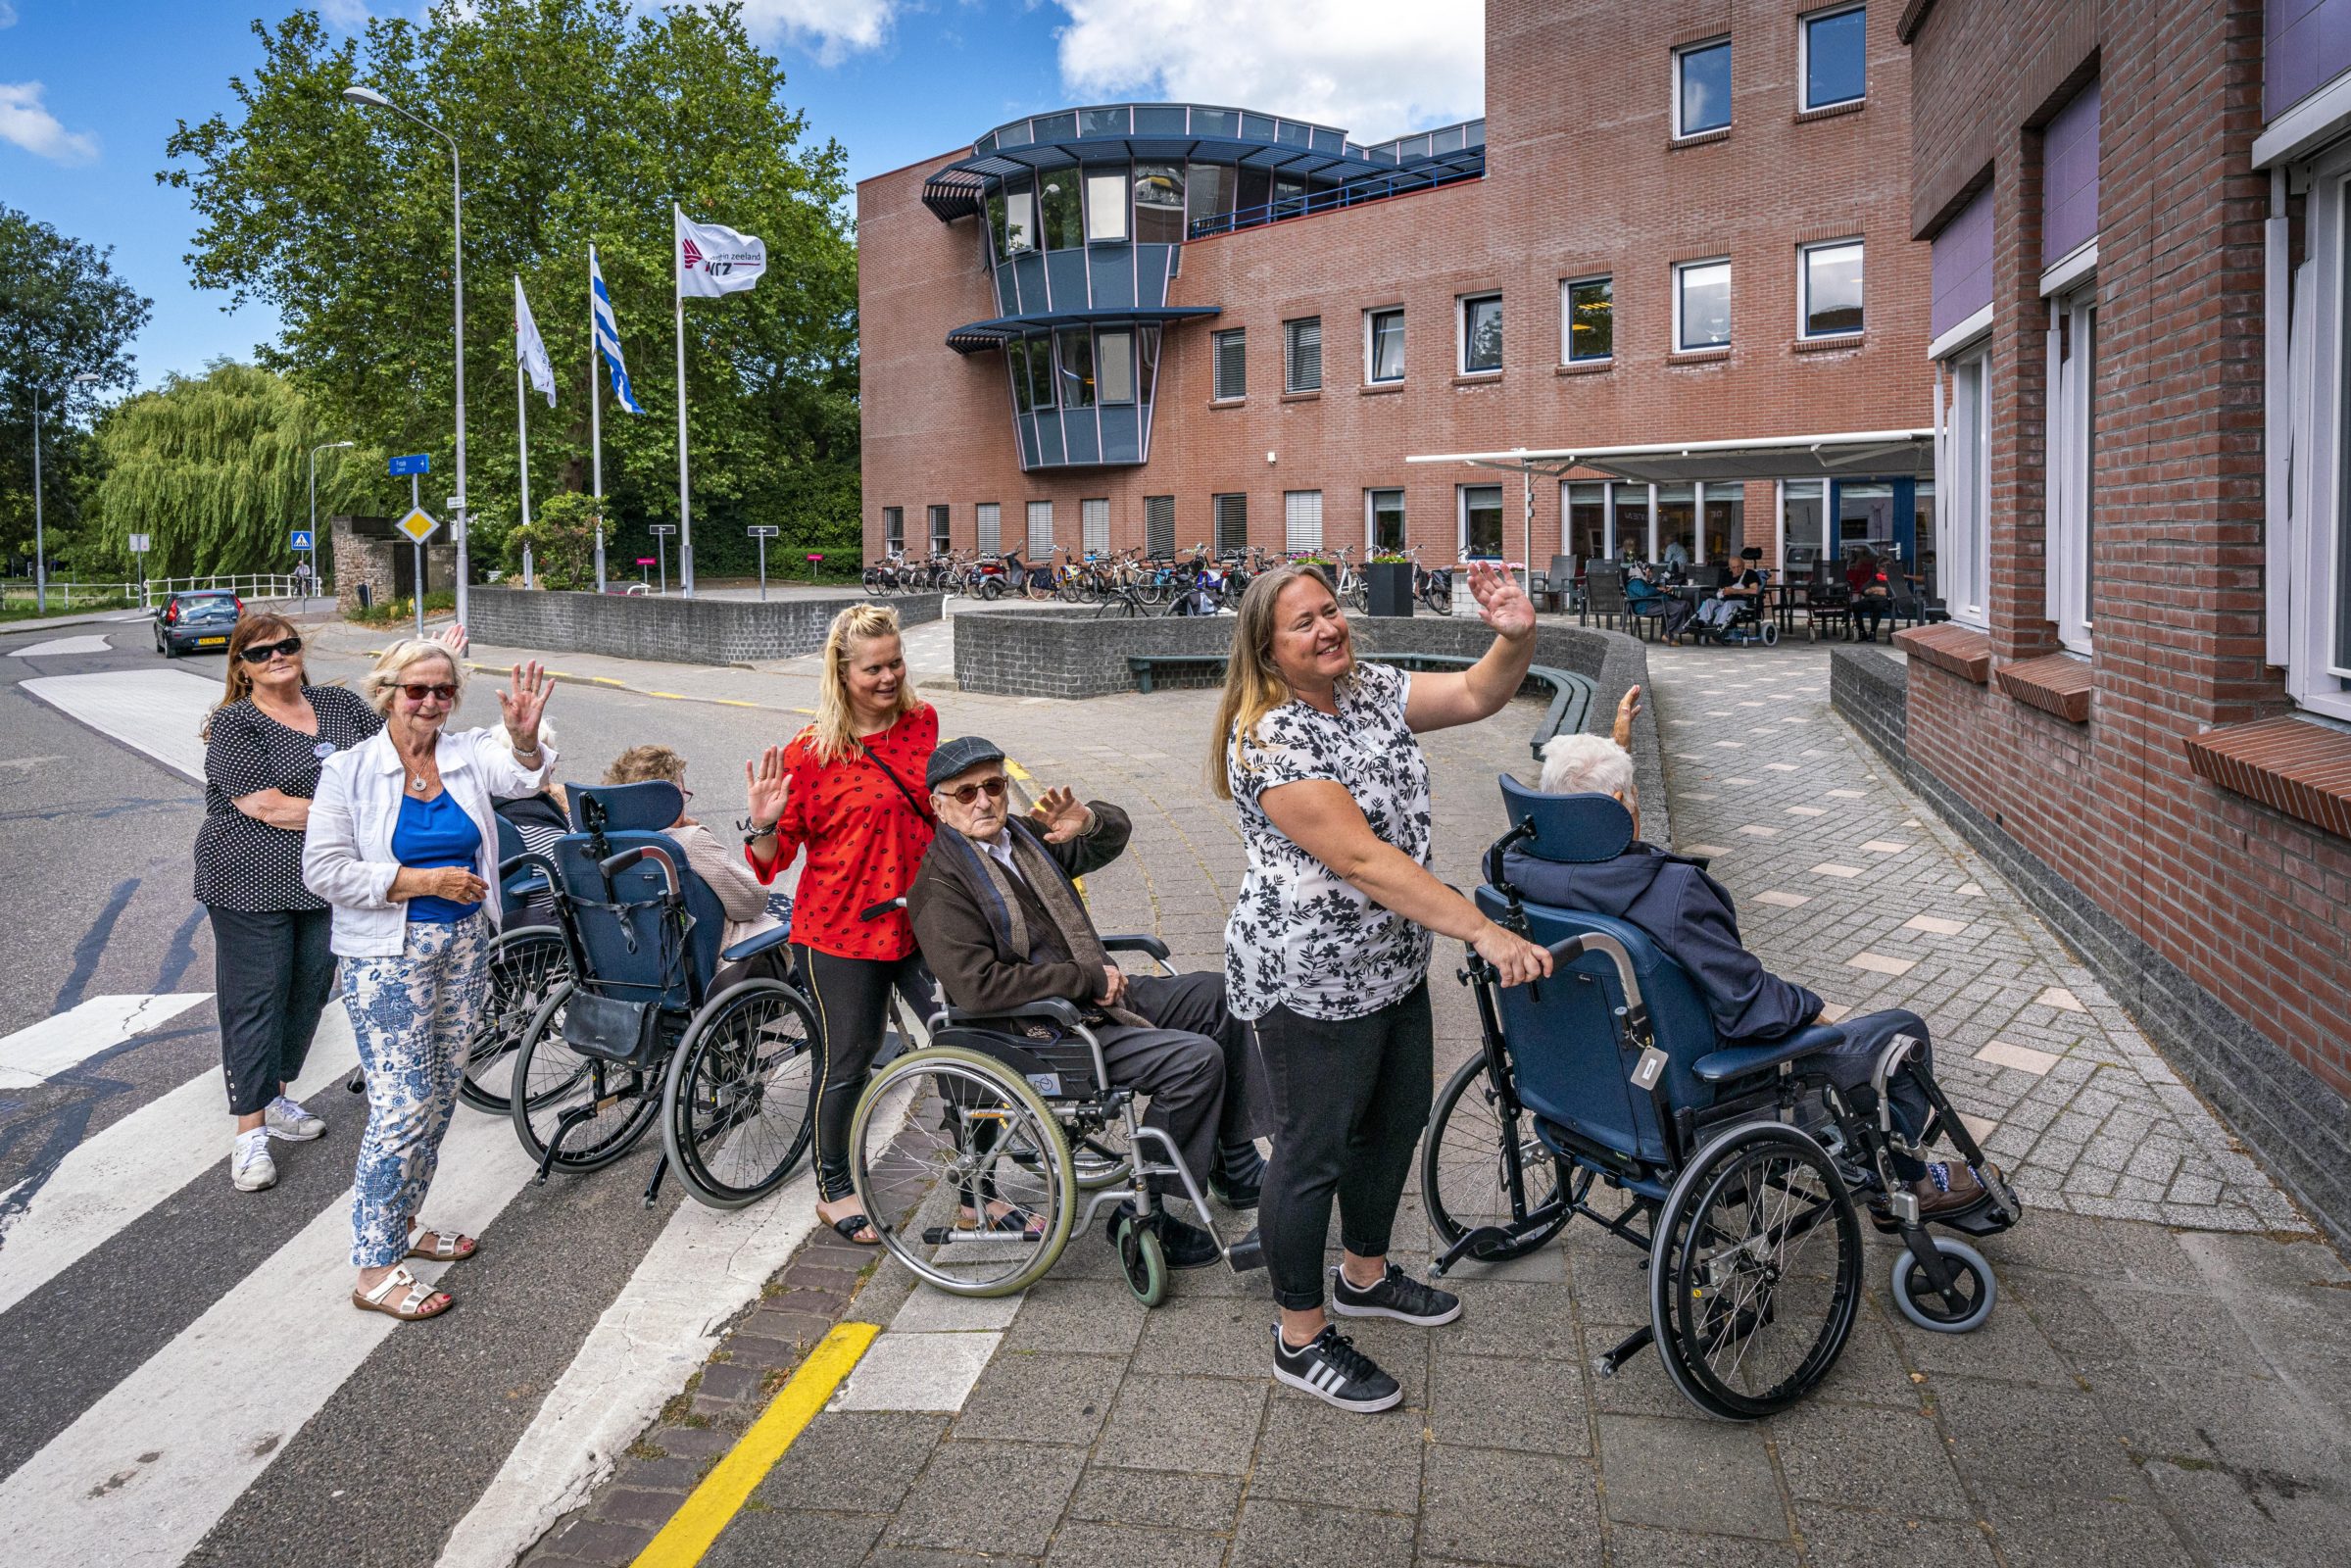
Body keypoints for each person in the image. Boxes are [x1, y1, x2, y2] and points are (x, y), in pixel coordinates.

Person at [1211, 563, 1553, 1413]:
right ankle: (1299, 1337)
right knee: (1311, 1152)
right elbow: (1362, 860)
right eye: (1302, 623)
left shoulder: (1364, 690)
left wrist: (1515, 637)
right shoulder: (1269, 738)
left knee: (1396, 1121)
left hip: (1391, 960)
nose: (1328, 628)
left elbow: (1476, 693)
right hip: (1309, 977)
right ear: (1266, 649)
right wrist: (1480, 929)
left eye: (1330, 610)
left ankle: (1363, 1275)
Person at [1518, 717, 1984, 1219]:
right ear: (1617, 806)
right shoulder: (1670, 893)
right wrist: (1811, 1009)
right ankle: (1911, 1186)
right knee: (1901, 1034)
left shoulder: (1518, 879)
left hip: (1581, 1082)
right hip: (1702, 1087)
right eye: (1632, 797)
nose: (1637, 804)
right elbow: (1749, 1009)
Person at [909, 737, 1269, 1260]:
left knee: (1223, 995)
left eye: (993, 785)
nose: (983, 801)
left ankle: (1232, 1162)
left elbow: (1109, 839)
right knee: (1195, 1061)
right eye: (965, 793)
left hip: (1093, 998)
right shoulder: (940, 886)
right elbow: (977, 986)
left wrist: (1092, 822)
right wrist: (1084, 979)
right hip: (1039, 1030)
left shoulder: (1024, 839)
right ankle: (1143, 1213)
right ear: (938, 806)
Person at [305, 641, 555, 1322]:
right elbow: (322, 870)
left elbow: (523, 777)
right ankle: (374, 1267)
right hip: (388, 956)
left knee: (441, 1095)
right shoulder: (350, 770)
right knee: (402, 1106)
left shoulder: (465, 754)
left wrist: (524, 740)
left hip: (465, 945)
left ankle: (405, 1223)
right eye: (417, 690)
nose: (431, 703)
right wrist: (421, 882)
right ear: (388, 692)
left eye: (444, 691)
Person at [195, 615, 467, 1194]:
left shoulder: (339, 706)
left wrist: (425, 668)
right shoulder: (235, 723)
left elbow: (400, 740)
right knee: (257, 998)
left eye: (287, 645)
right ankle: (249, 1133)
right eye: (260, 652)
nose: (277, 656)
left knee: (308, 991)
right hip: (249, 881)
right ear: (242, 666)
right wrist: (356, 809)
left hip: (330, 881)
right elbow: (266, 806)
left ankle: (277, 1098)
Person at [744, 603, 938, 1248]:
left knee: (962, 1043)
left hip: (919, 921)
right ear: (841, 671)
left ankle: (979, 1194)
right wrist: (764, 822)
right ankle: (833, 1189)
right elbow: (773, 861)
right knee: (849, 1060)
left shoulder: (922, 722)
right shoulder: (810, 752)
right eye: (873, 669)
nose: (888, 678)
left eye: (895, 663)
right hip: (839, 932)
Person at [602, 744, 783, 983]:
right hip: (711, 969)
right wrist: (695, 833)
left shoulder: (608, 847)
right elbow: (752, 901)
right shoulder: (687, 842)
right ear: (671, 799)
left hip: (634, 969)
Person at [1690, 547, 1765, 635]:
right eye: (1734, 567)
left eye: (1739, 566)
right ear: (1730, 568)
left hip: (1742, 601)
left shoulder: (1750, 573)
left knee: (1729, 604)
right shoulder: (1726, 574)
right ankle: (1702, 622)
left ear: (1743, 565)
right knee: (1709, 601)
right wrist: (1722, 592)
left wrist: (1735, 591)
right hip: (1724, 600)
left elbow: (1754, 590)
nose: (1737, 569)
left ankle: (1718, 625)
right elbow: (1720, 589)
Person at [1846, 548, 1892, 641]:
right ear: (1878, 567)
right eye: (1882, 566)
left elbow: (1890, 592)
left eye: (1887, 566)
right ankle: (1862, 632)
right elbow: (1863, 589)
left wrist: (1873, 590)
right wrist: (1875, 589)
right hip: (1871, 599)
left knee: (1878, 606)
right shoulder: (1875, 578)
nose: (1884, 568)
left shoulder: (1893, 578)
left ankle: (1873, 632)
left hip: (1885, 601)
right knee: (1855, 606)